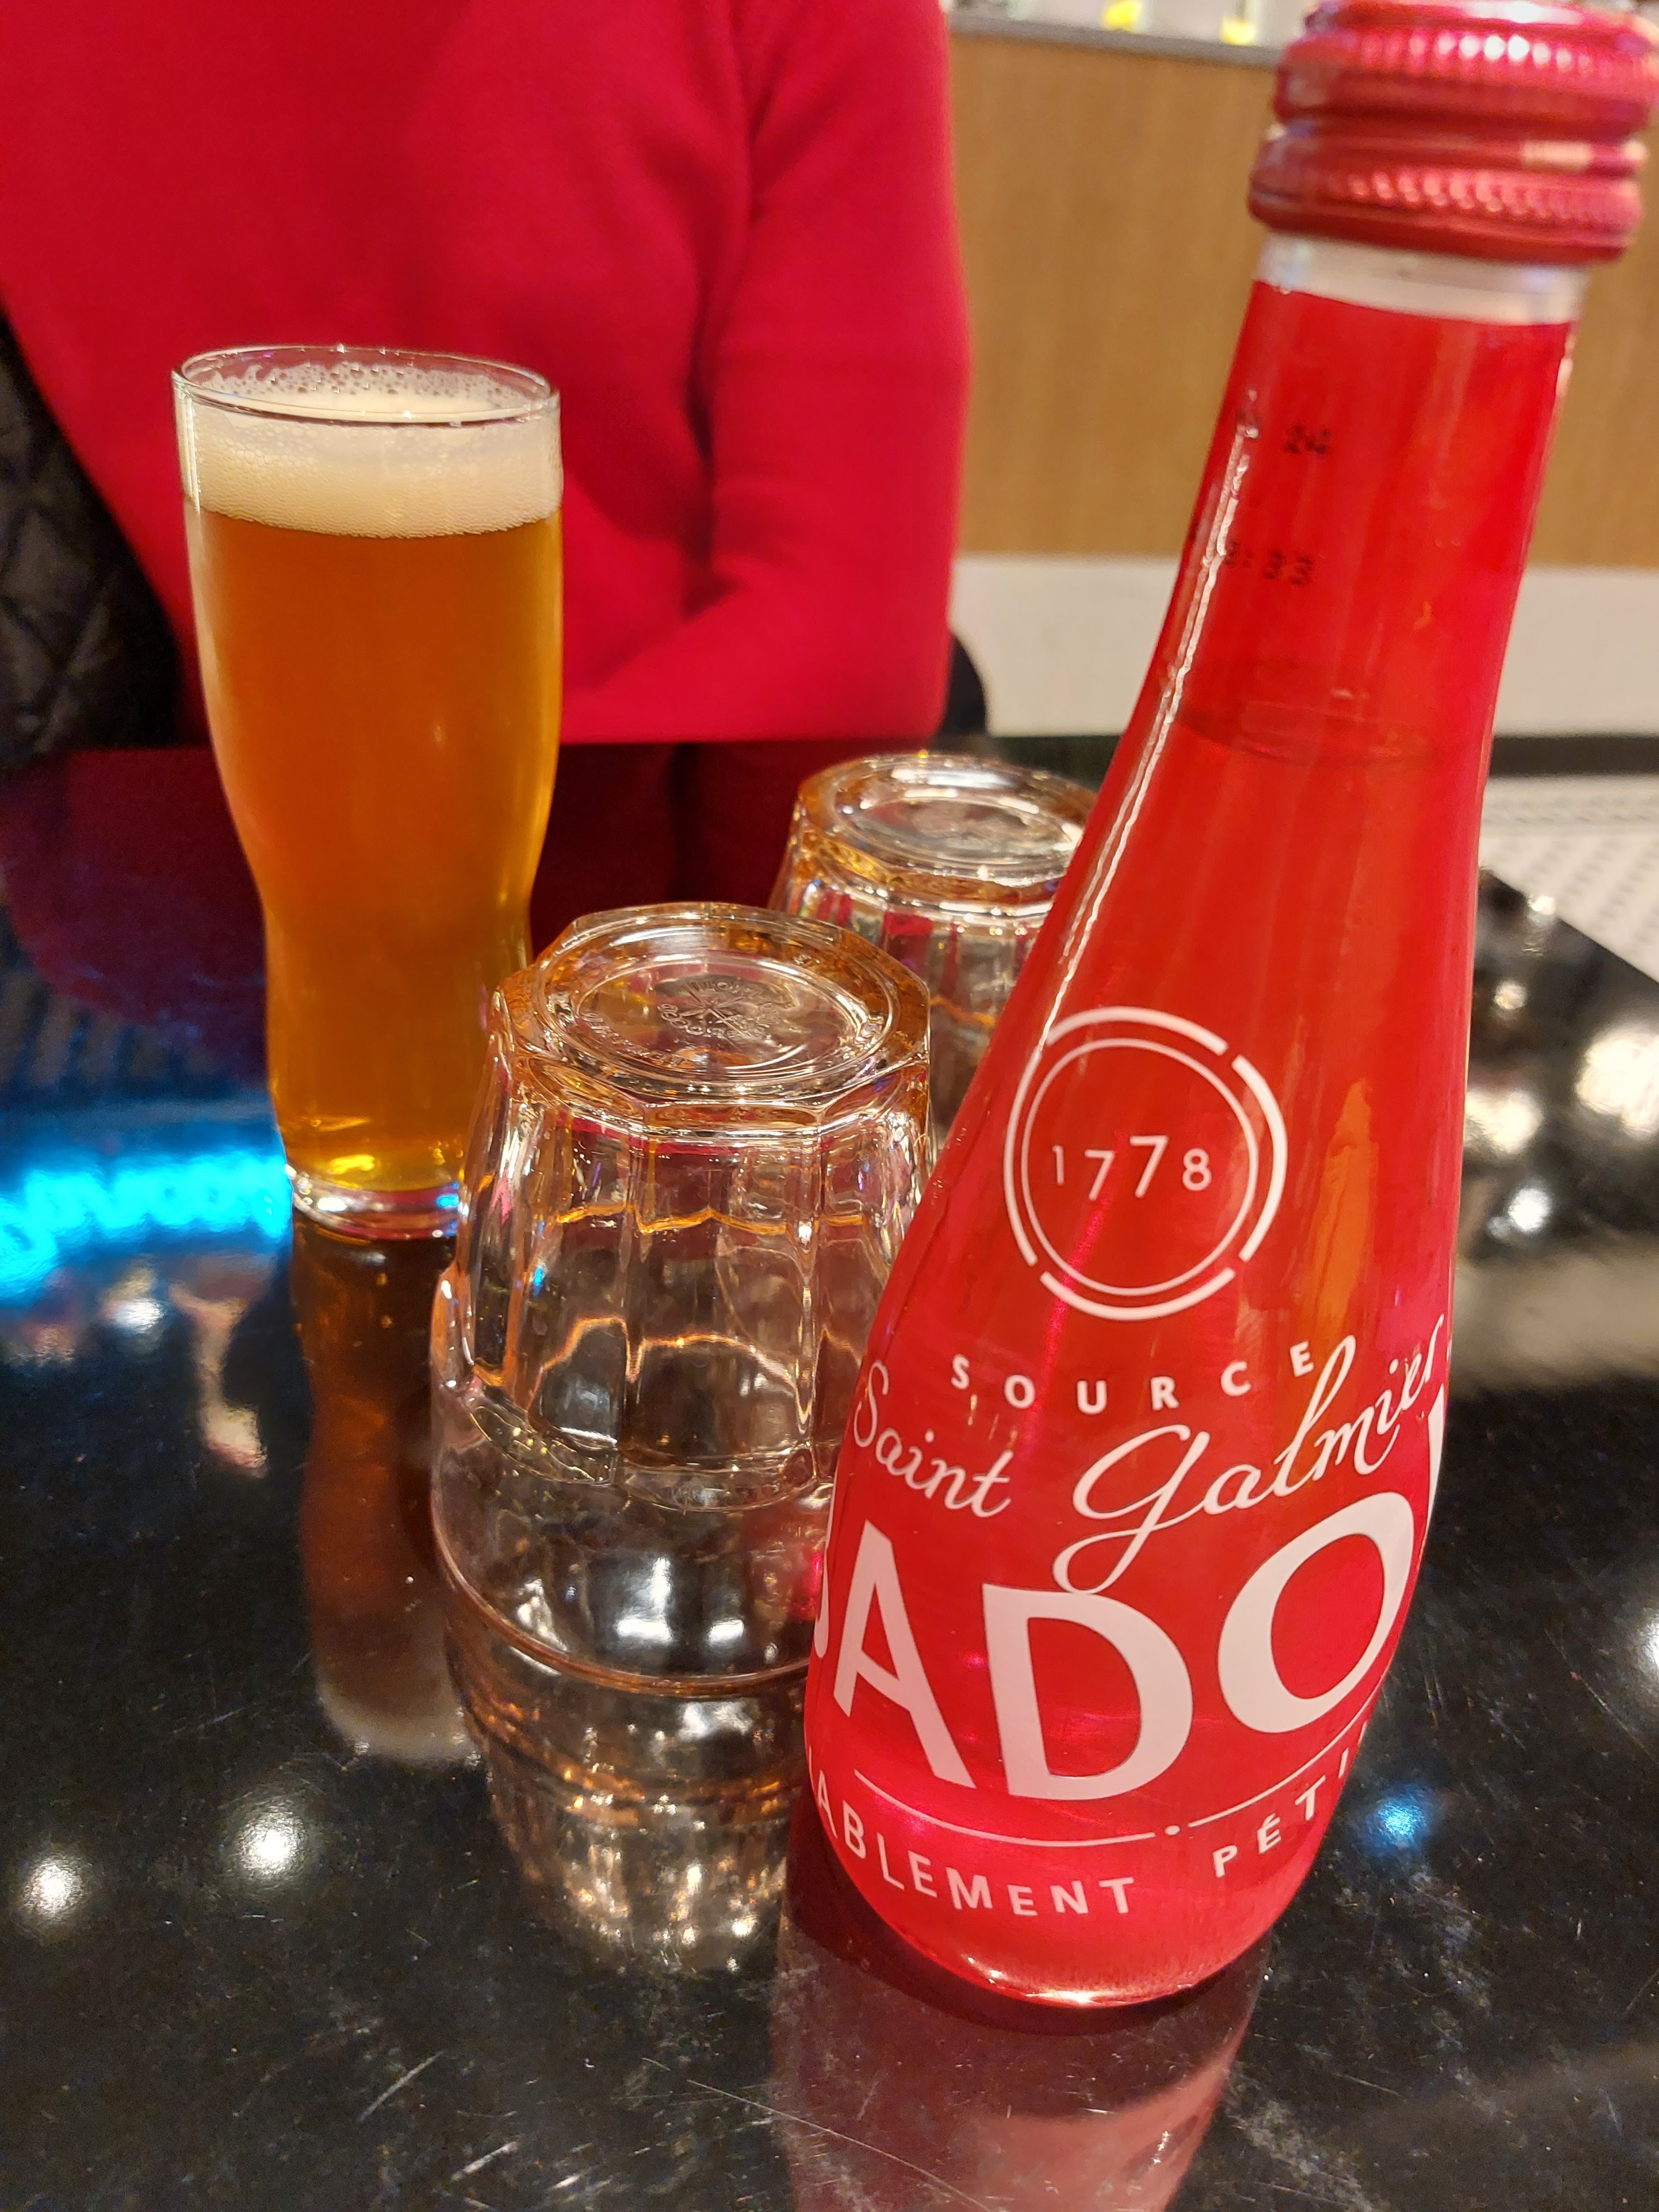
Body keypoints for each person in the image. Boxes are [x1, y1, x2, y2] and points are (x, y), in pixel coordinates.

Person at [0, 0, 969, 1045]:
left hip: (184, 927)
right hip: (635, 959)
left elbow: (841, 655)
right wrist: (702, 1033)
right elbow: (840, 658)